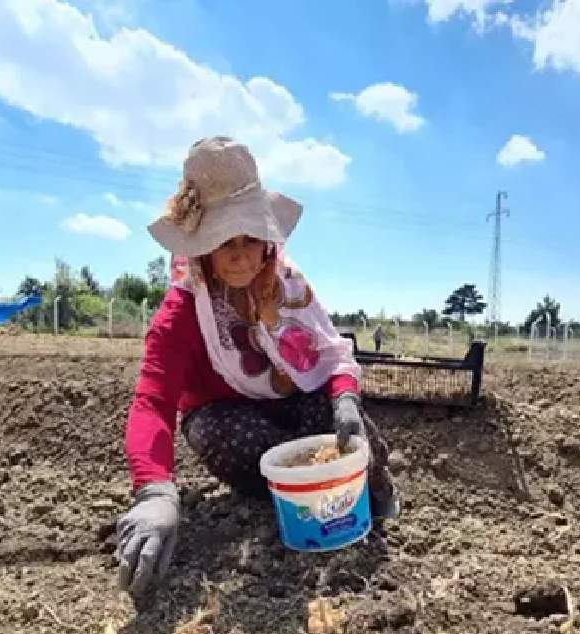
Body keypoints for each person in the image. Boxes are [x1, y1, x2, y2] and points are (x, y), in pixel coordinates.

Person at [116, 136, 399, 597]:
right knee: (220, 433)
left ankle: (363, 492)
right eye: (225, 241)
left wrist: (346, 398)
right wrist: (154, 492)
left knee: (342, 425)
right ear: (199, 246)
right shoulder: (181, 313)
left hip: (291, 403)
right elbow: (152, 402)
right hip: (231, 419)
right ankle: (288, 498)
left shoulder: (287, 287)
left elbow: (330, 354)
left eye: (253, 240)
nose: (242, 256)